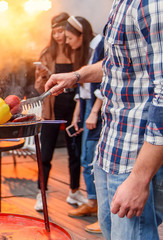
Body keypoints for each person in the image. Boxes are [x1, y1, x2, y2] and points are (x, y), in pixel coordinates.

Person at [44, 1, 163, 238]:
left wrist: (139, 178)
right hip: (109, 150)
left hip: (134, 157)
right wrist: (77, 76)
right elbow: (115, 65)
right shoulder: (121, 3)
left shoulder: (151, 5)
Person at [34, 12, 86, 212]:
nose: (57, 36)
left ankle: (74, 191)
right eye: (54, 32)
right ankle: (41, 192)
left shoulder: (76, 50)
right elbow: (39, 89)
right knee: (45, 152)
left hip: (73, 107)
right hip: (51, 111)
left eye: (61, 31)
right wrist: (41, 77)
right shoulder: (47, 53)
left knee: (75, 151)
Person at [63, 16, 105, 234]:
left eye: (70, 38)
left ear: (82, 34)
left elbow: (107, 78)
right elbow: (83, 85)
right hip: (88, 104)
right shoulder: (84, 49)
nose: (68, 42)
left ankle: (103, 214)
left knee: (93, 157)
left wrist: (95, 111)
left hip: (99, 104)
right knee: (85, 157)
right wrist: (78, 113)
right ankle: (92, 202)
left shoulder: (99, 44)